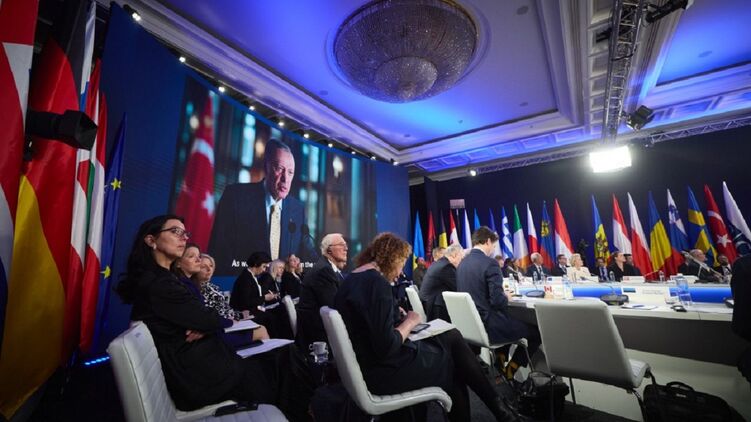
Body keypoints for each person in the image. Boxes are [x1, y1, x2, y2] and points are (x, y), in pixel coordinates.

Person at [334, 232, 524, 422]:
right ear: (392, 259)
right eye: (401, 264)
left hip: (366, 367)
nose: (400, 272)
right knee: (454, 363)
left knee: (451, 336)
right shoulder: (377, 283)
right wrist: (410, 321)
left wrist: (393, 313)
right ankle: (501, 410)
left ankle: (501, 411)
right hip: (383, 373)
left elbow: (368, 323)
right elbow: (387, 346)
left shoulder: (353, 278)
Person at [114, 215, 279, 411]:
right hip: (202, 380)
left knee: (279, 362)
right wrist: (206, 324)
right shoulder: (160, 283)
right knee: (281, 364)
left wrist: (204, 325)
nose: (184, 237)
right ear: (151, 240)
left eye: (185, 233)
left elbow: (206, 318)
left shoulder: (165, 279)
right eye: (175, 231)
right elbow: (210, 318)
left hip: (206, 366)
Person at [209, 139, 317, 275]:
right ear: (266, 167)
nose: (285, 179)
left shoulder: (297, 210)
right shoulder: (236, 197)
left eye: (290, 172)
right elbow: (219, 252)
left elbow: (308, 255)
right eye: (280, 169)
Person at [457, 226, 541, 380]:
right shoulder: (490, 263)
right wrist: (505, 297)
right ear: (488, 241)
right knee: (536, 332)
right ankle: (510, 371)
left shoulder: (462, 264)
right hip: (489, 326)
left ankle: (500, 362)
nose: (493, 250)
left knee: (509, 321)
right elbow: (497, 301)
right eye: (494, 246)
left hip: (472, 326)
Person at [196, 253, 269, 341]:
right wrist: (236, 318)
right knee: (263, 327)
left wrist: (240, 315)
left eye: (211, 266)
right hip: (221, 328)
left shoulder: (213, 286)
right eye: (203, 266)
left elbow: (224, 309)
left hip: (232, 319)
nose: (209, 269)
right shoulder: (197, 289)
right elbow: (212, 315)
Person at [296, 233, 348, 348]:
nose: (346, 249)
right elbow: (335, 306)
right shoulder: (324, 271)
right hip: (318, 338)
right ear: (329, 250)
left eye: (346, 245)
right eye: (341, 245)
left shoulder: (327, 268)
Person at [229, 252, 284, 337]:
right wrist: (264, 298)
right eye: (264, 266)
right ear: (256, 264)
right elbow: (246, 302)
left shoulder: (251, 276)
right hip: (244, 313)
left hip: (253, 310)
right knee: (272, 318)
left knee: (275, 315)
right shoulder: (246, 278)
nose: (264, 270)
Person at [419, 244, 464, 321]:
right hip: (434, 308)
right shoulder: (446, 267)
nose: (461, 261)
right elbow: (458, 288)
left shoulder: (438, 263)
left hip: (427, 302)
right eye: (461, 258)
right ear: (454, 255)